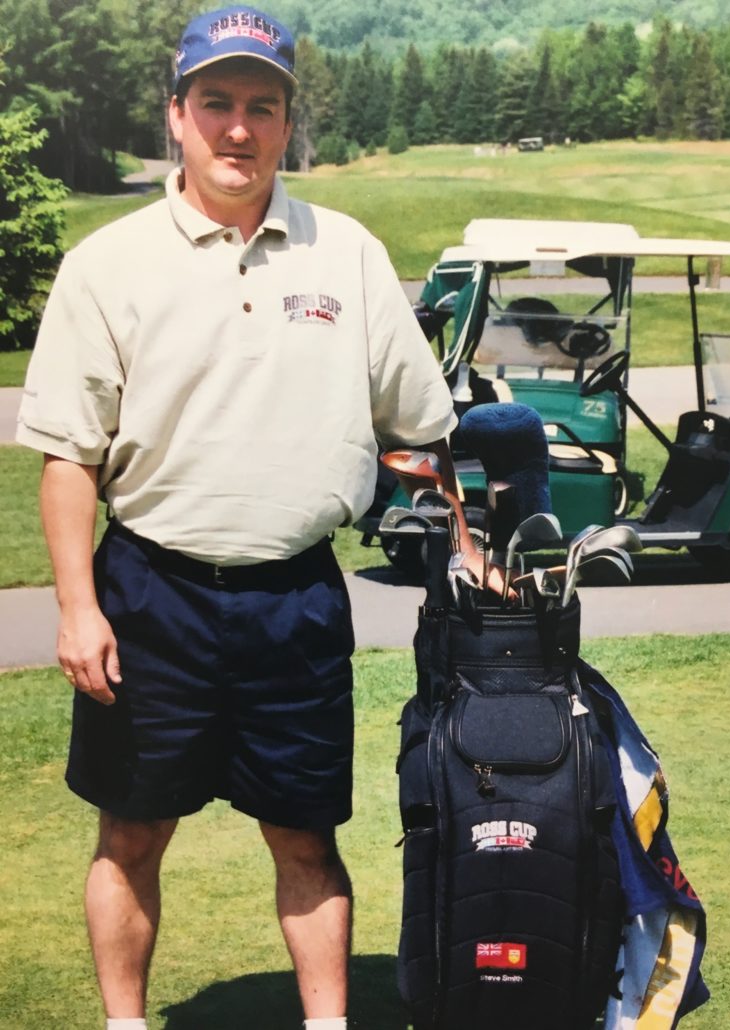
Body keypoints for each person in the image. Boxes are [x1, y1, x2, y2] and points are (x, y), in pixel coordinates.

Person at [16, 6, 480, 1029]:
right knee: (131, 833)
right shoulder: (108, 264)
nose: (238, 127)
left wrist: (468, 540)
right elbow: (69, 457)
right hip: (150, 597)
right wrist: (77, 609)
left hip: (295, 598)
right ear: (176, 115)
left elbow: (419, 431)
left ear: (286, 123)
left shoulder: (345, 254)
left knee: (305, 837)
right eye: (216, 102)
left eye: (261, 106)